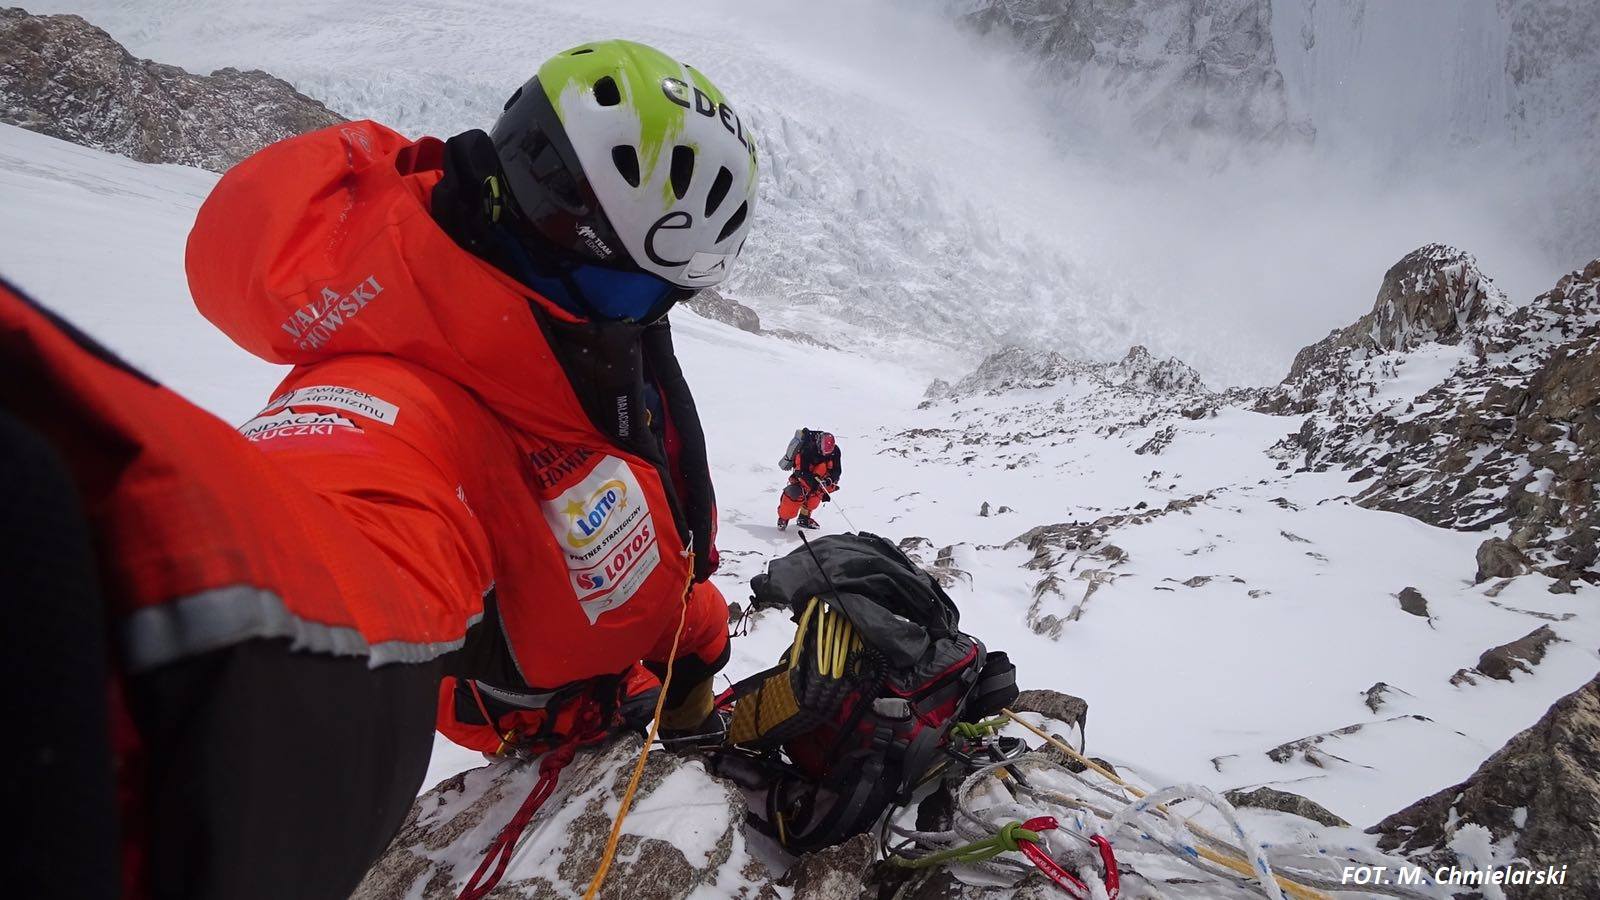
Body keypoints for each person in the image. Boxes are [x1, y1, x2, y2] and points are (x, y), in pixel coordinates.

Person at [0, 39, 757, 900]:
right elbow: (323, 550)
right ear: (530, 212)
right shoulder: (393, 395)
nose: (637, 319)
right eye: (625, 292)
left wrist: (698, 644)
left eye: (661, 300)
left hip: (649, 644)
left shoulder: (575, 327)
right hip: (551, 715)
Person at [777, 428, 842, 530]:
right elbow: (800, 471)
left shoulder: (835, 452)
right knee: (793, 495)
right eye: (823, 452)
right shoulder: (807, 449)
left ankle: (804, 518)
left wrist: (829, 480)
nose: (825, 455)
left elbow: (837, 470)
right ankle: (783, 518)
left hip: (821, 479)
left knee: (814, 498)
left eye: (828, 453)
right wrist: (814, 482)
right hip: (804, 478)